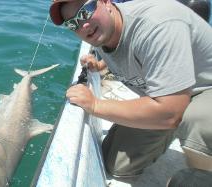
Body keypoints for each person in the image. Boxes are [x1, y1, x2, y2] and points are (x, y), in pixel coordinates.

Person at [49, 0, 212, 179]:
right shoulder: (103, 29)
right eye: (72, 23)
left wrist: (95, 105)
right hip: (165, 95)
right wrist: (101, 65)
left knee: (194, 119)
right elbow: (123, 50)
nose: (83, 25)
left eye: (85, 11)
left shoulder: (156, 26)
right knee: (116, 166)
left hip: (204, 89)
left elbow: (170, 113)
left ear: (105, 2)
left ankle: (202, 176)